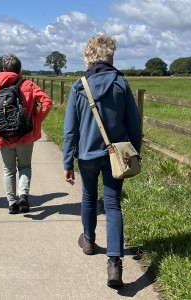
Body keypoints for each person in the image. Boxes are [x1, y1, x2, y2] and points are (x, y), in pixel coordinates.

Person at [62, 34, 142, 288]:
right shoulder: (120, 83)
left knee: (88, 196)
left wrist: (67, 161)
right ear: (110, 55)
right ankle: (115, 263)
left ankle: (88, 239)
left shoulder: (79, 86)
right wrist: (134, 152)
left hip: (86, 154)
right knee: (113, 204)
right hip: (116, 154)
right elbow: (134, 123)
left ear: (88, 56)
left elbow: (70, 129)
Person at [0, 54, 53, 214]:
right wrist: (36, 119)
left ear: (4, 69)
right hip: (25, 134)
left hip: (3, 135)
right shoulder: (28, 85)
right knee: (25, 166)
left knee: (8, 170)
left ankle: (12, 203)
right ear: (20, 69)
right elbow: (47, 102)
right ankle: (23, 195)